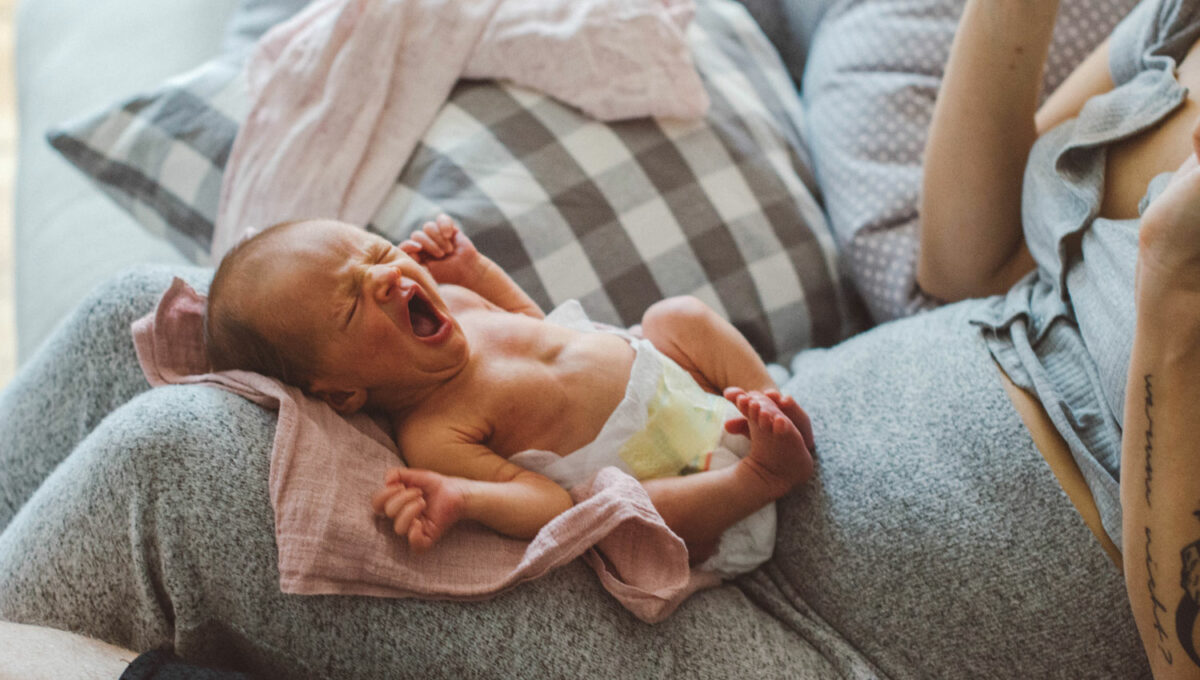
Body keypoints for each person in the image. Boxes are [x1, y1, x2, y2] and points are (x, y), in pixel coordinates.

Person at [0, 0, 1194, 677]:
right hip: (767, 425)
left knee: (175, 464)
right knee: (140, 319)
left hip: (812, 636)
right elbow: (968, 266)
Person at [202, 214, 815, 571]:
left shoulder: (463, 305)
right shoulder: (433, 431)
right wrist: (463, 497)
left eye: (379, 254)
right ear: (341, 394)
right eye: (350, 302)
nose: (389, 277)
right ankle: (765, 474)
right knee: (613, 509)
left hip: (700, 400)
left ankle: (771, 406)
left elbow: (542, 326)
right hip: (695, 490)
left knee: (675, 315)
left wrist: (473, 270)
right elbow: (549, 504)